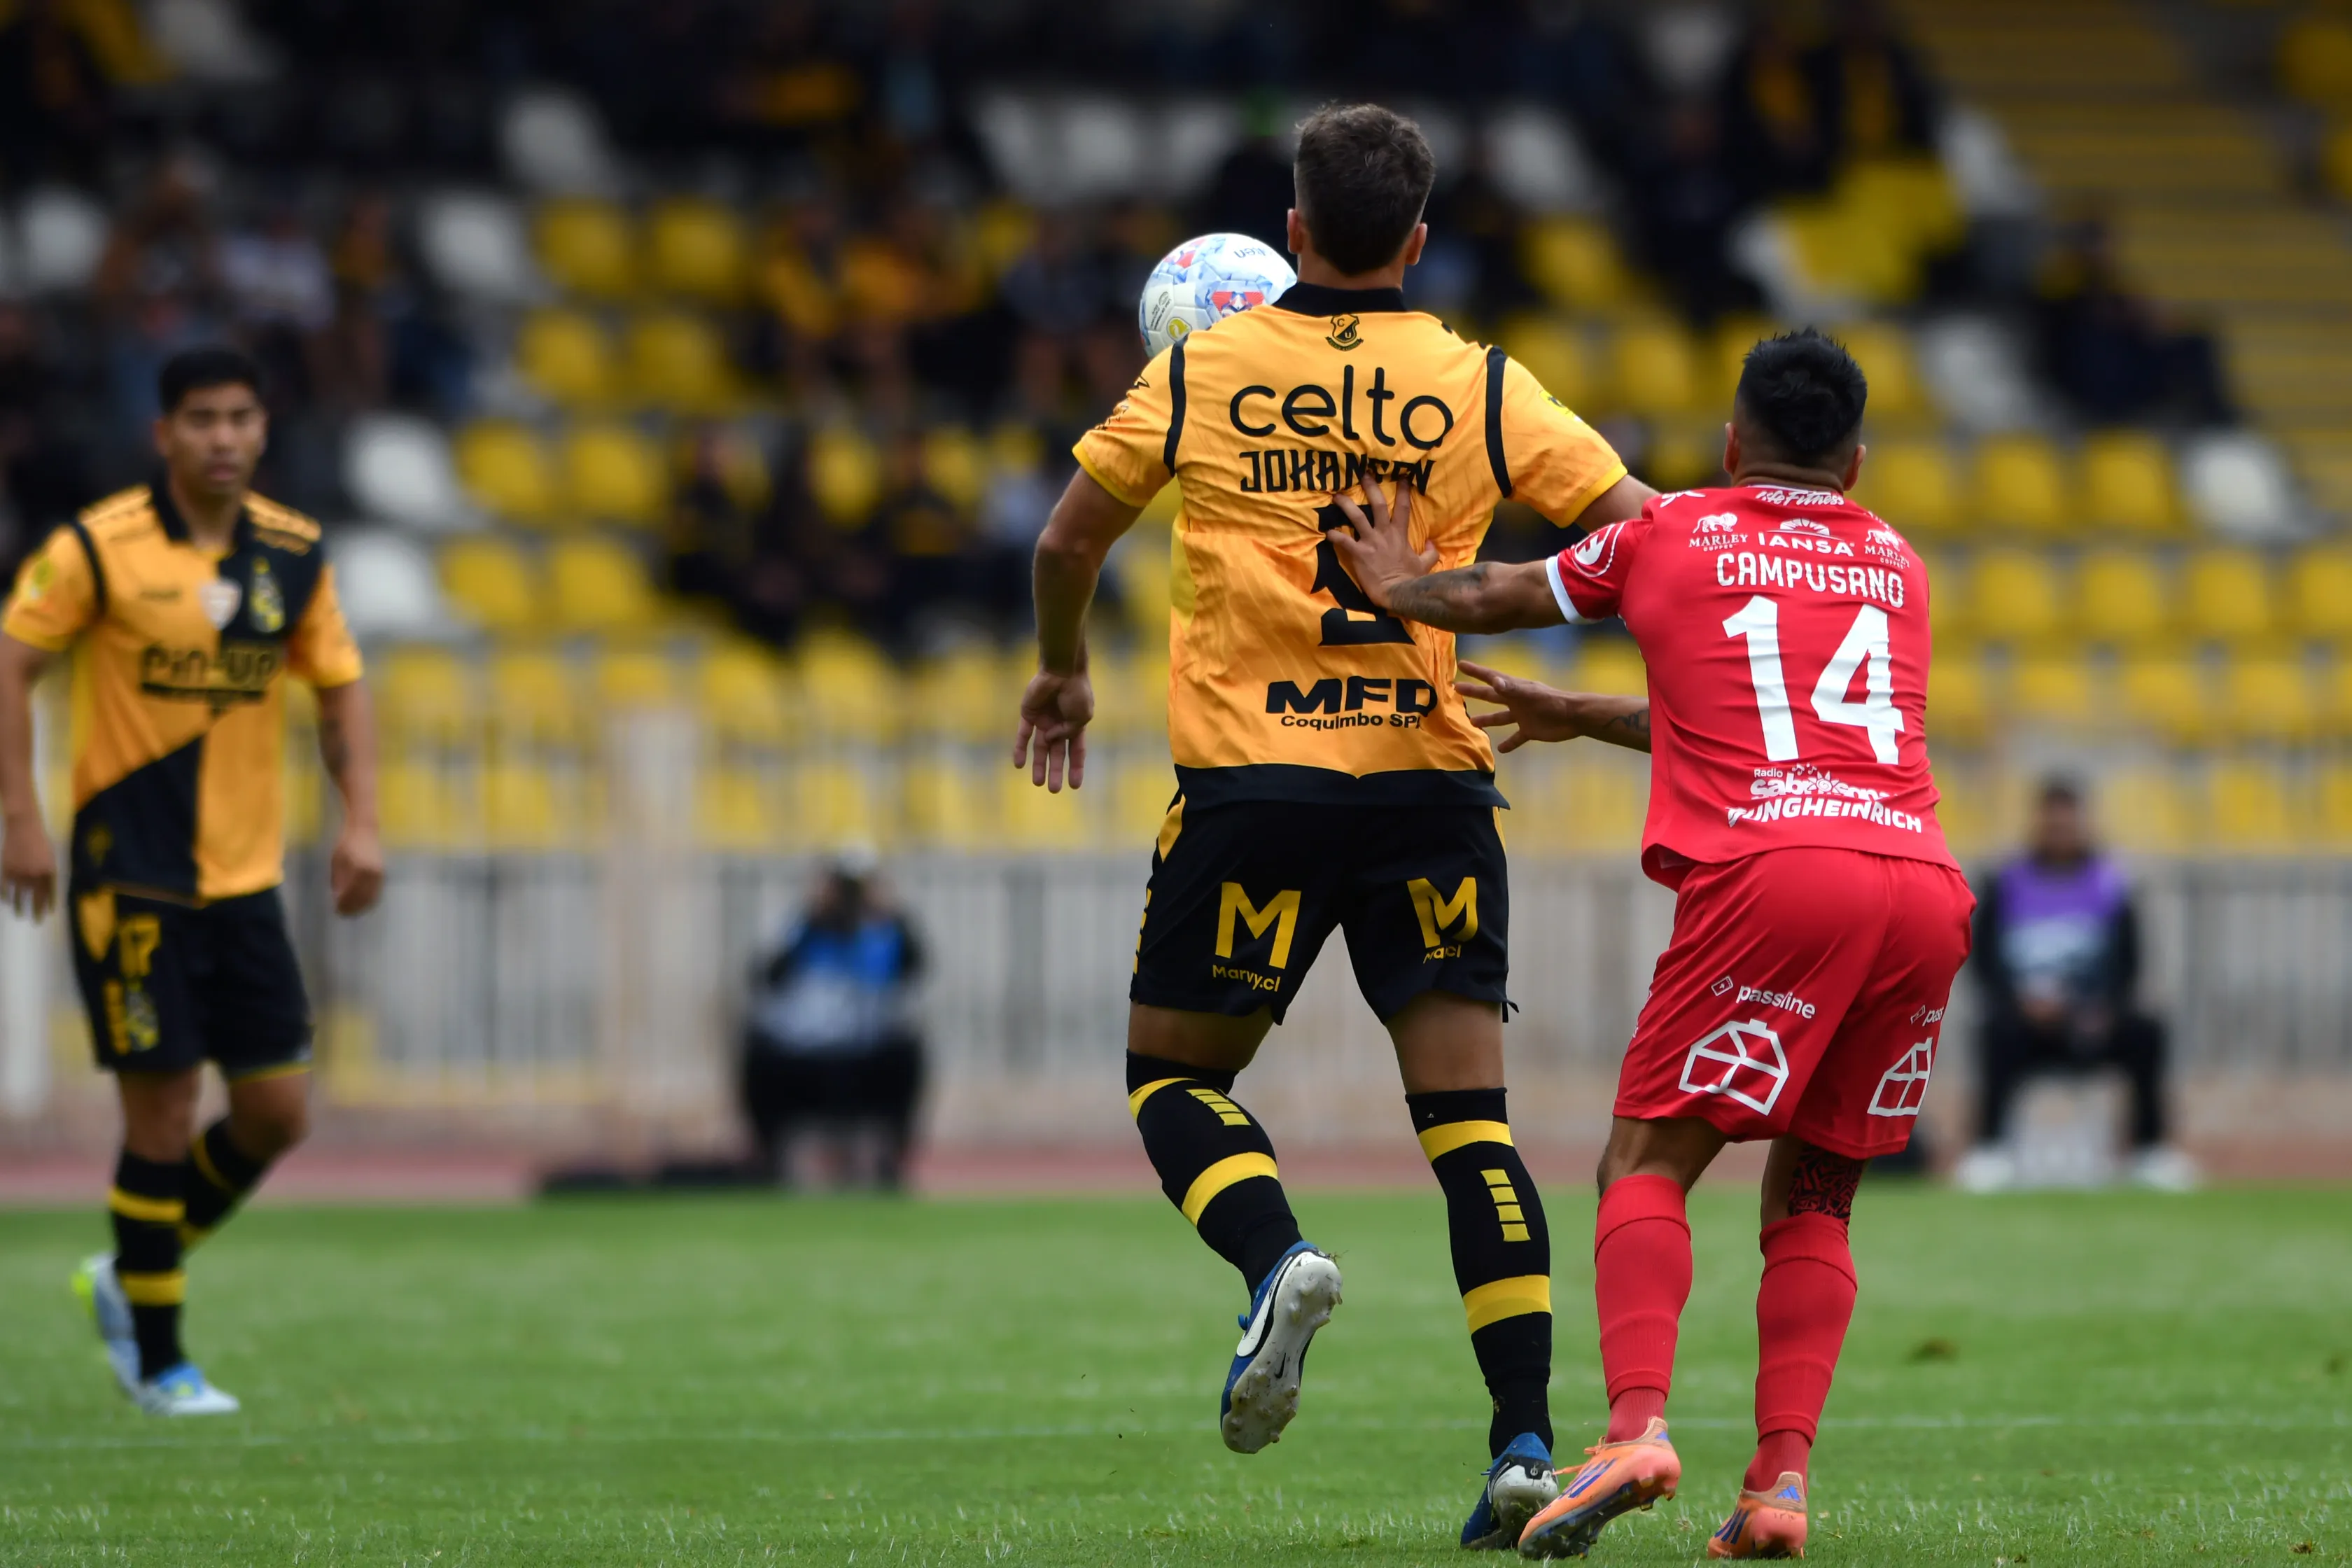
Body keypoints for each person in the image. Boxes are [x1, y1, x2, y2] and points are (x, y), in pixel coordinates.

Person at [1011, 102, 1654, 1549]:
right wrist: (1533, 632)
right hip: (1431, 785)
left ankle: (1277, 1260)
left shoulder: (1205, 368)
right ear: (1418, 240)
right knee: (1472, 1129)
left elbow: (1065, 539)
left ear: (1294, 229)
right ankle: (1525, 1444)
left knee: (1176, 1080)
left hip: (1256, 788)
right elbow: (1647, 534)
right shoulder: (1483, 385)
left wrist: (1062, 670)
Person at [1329, 329, 1972, 1558]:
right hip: (1922, 888)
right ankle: (1778, 1489)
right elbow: (1777, 716)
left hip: (1777, 877)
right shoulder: (1898, 562)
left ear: (1732, 444)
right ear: (1855, 461)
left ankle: (1635, 1431)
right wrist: (1583, 715)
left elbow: (1499, 596)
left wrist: (1400, 585)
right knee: (1817, 1196)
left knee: (1643, 1161)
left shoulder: (1673, 529)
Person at [0, 345, 384, 1417]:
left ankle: (129, 1270)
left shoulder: (293, 553)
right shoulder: (98, 547)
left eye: (240, 418)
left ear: (264, 429)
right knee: (162, 1112)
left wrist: (363, 820)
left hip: (245, 881)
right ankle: (161, 1362)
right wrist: (21, 818)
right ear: (162, 433)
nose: (223, 438)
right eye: (202, 419)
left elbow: (341, 690)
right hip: (131, 878)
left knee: (277, 1113)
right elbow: (11, 661)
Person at [1954, 778, 2194, 1193]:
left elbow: (2130, 963)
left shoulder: (2112, 883)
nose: (2060, 832)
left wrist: (2100, 1007)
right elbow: (1984, 962)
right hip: (2026, 1022)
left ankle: (2150, 1150)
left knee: (2147, 1032)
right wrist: (2020, 1003)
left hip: (2092, 1020)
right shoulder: (2006, 882)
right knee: (1995, 1033)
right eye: (2053, 824)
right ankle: (1990, 1149)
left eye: (2068, 824)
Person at [738, 846, 926, 1191]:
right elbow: (766, 977)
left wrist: (891, 912)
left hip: (865, 1053)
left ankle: (890, 1160)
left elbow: (916, 968)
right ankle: (769, 1159)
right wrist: (812, 916)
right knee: (755, 1046)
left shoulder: (885, 933)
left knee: (909, 1047)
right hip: (803, 1054)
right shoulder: (800, 929)